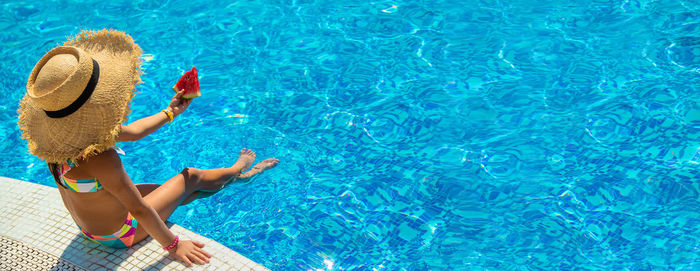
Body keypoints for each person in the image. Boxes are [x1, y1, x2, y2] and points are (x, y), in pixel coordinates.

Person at [17, 29, 279, 267]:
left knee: (168, 193)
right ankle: (239, 171)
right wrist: (174, 247)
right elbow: (140, 210)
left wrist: (170, 111)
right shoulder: (103, 158)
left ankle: (230, 181)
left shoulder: (63, 143)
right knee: (190, 177)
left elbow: (134, 132)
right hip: (120, 234)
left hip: (91, 230)